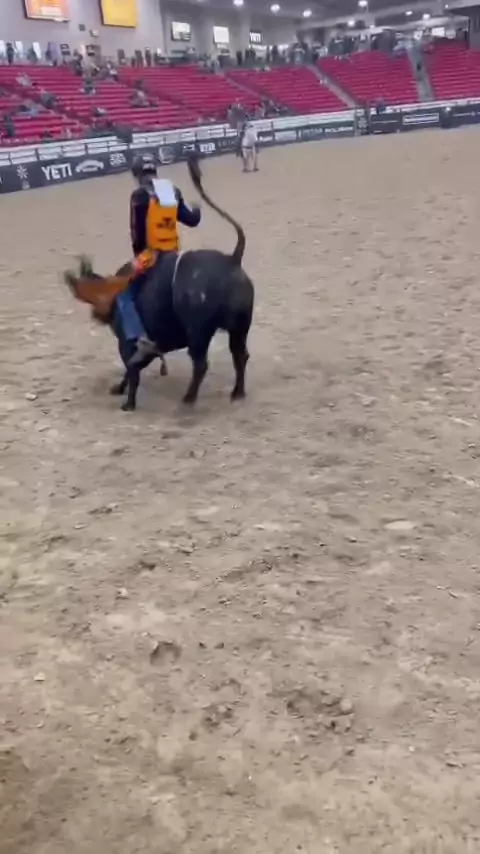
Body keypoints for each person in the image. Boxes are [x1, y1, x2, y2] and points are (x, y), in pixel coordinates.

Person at [116, 153, 201, 364]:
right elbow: (191, 220)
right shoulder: (171, 191)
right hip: (174, 252)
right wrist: (197, 210)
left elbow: (137, 234)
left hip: (152, 255)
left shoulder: (139, 196)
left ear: (137, 174)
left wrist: (138, 260)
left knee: (122, 291)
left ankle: (139, 336)